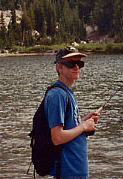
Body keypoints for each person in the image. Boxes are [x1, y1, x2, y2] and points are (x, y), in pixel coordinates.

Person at [44, 46, 99, 178]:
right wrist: (83, 127)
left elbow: (69, 129)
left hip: (75, 172)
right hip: (68, 173)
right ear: (59, 67)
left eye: (79, 63)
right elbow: (57, 137)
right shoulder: (57, 95)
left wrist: (83, 122)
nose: (76, 67)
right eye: (70, 63)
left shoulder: (66, 92)